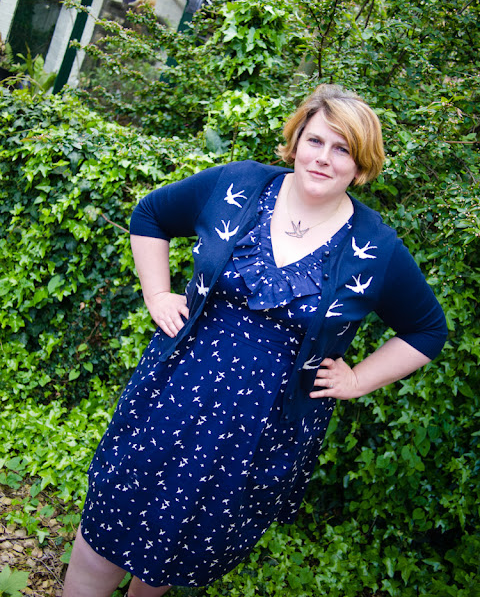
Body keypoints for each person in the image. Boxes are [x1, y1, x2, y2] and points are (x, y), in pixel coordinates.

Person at [62, 84, 447, 597]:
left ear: (361, 166)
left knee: (164, 565)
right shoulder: (238, 184)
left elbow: (427, 329)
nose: (324, 158)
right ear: (296, 141)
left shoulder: (375, 247)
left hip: (258, 436)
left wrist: (357, 380)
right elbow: (151, 214)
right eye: (316, 141)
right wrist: (157, 293)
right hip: (171, 399)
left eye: (343, 149)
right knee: (100, 546)